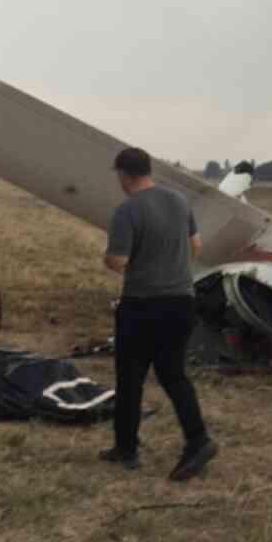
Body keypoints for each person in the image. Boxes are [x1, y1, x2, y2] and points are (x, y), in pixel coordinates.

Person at [103, 146, 217, 481]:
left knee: (130, 377)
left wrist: (110, 257)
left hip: (142, 304)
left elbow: (118, 261)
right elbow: (195, 245)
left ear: (124, 175)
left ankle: (127, 449)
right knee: (173, 375)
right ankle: (197, 440)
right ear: (149, 171)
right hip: (182, 301)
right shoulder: (180, 201)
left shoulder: (127, 211)